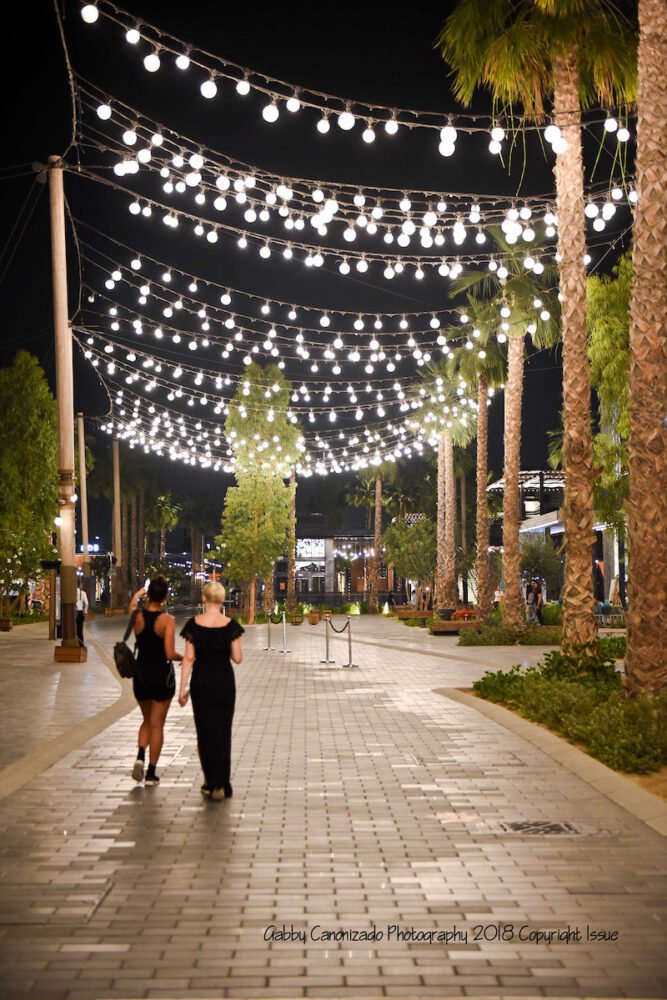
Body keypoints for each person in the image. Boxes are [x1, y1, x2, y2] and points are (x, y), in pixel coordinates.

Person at [178, 582, 244, 801]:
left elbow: (188, 659)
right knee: (223, 732)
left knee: (204, 731)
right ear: (223, 599)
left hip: (201, 682)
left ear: (204, 599)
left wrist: (182, 689)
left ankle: (210, 781)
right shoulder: (231, 626)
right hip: (224, 682)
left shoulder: (193, 626)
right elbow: (237, 658)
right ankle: (223, 784)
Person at [128, 576, 182, 786]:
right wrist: (184, 657)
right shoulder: (167, 621)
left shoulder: (137, 616)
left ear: (148, 594)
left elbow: (132, 605)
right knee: (157, 724)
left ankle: (140, 755)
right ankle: (151, 773)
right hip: (161, 675)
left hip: (140, 674)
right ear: (166, 596)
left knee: (146, 720)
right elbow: (169, 653)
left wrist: (136, 595)